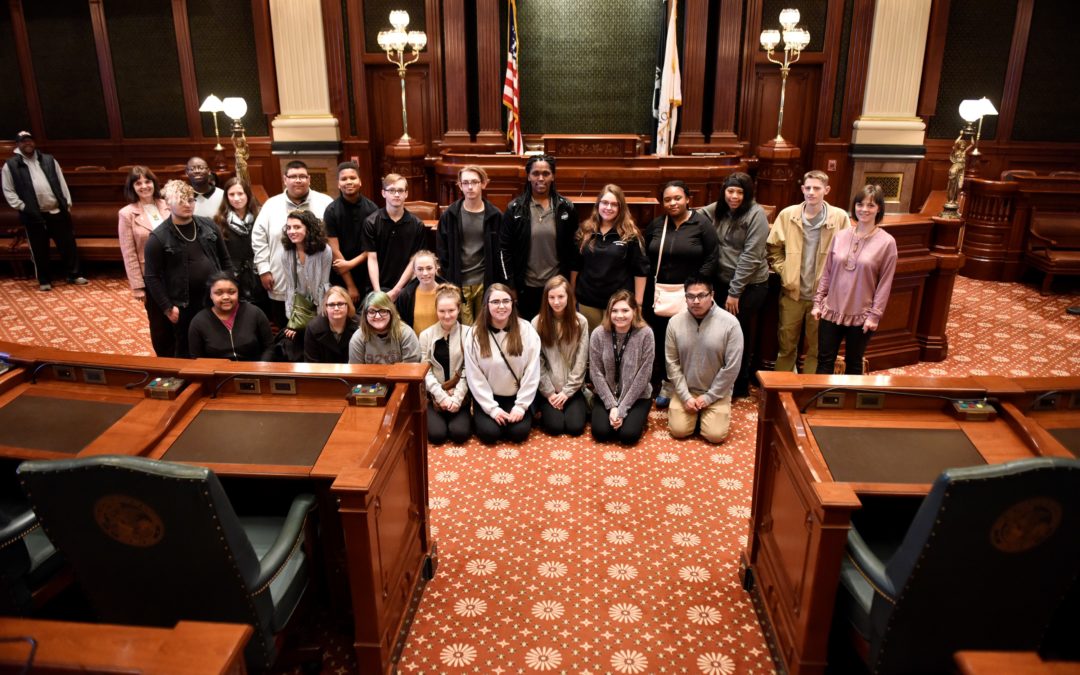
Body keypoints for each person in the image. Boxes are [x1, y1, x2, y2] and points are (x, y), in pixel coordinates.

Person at [766, 170, 849, 374]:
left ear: (826, 190)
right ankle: (781, 392)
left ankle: (808, 392)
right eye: (808, 188)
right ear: (802, 189)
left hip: (823, 299)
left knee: (817, 349)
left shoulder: (839, 217)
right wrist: (785, 271)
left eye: (816, 188)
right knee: (786, 346)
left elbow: (848, 254)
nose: (811, 192)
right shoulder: (788, 215)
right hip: (792, 294)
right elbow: (773, 248)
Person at [644, 180, 718, 406]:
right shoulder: (657, 225)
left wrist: (695, 288)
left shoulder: (701, 224)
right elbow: (646, 258)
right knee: (661, 340)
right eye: (667, 199)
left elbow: (712, 257)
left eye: (677, 198)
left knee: (685, 341)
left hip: (690, 296)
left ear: (688, 199)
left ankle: (687, 385)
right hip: (659, 294)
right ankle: (665, 383)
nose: (673, 203)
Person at [812, 185, 898, 375]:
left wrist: (875, 315)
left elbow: (885, 283)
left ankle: (849, 404)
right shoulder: (841, 236)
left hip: (861, 315)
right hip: (831, 310)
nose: (864, 209)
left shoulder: (887, 242)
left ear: (879, 209)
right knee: (824, 361)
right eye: (860, 204)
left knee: (853, 363)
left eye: (871, 205)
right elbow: (827, 272)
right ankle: (819, 403)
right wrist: (818, 302)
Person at [143, 180, 233, 358]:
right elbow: (152, 277)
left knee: (216, 341)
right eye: (181, 201)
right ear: (168, 204)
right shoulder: (158, 237)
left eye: (191, 200)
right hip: (183, 304)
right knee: (187, 347)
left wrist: (228, 291)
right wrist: (167, 307)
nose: (188, 205)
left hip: (212, 298)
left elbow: (225, 260)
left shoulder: (208, 225)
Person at [703, 172, 769, 398]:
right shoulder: (720, 207)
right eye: (730, 191)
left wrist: (735, 292)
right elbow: (698, 214)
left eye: (740, 192)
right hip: (722, 281)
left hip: (748, 286)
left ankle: (739, 386)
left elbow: (751, 257)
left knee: (736, 334)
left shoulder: (756, 214)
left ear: (748, 193)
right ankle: (721, 383)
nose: (734, 196)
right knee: (720, 333)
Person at [252, 160, 333, 328]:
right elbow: (258, 239)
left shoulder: (325, 202)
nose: (298, 180)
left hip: (316, 282)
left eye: (302, 176)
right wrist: (263, 269)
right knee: (285, 328)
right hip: (280, 278)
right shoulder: (271, 205)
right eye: (293, 176)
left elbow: (334, 238)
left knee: (317, 329)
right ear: (285, 179)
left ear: (309, 179)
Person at [2, 130, 87, 291]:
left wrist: (66, 203)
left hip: (56, 210)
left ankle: (74, 275)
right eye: (23, 141)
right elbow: (8, 190)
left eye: (29, 140)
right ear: (17, 145)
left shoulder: (48, 160)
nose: (27, 143)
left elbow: (61, 181)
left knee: (68, 244)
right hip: (33, 214)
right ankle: (44, 279)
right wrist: (22, 206)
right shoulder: (11, 165)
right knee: (39, 249)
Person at [498, 154, 579, 320]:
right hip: (526, 288)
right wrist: (511, 286)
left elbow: (574, 251)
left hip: (557, 289)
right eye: (535, 173)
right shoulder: (515, 209)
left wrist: (571, 286)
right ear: (528, 176)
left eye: (546, 173)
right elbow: (504, 250)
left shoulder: (566, 208)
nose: (540, 178)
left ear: (553, 176)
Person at [665, 276, 742, 444]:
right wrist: (685, 397)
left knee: (715, 436)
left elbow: (732, 368)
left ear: (712, 295)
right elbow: (672, 363)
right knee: (679, 431)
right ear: (685, 297)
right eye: (690, 296)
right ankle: (696, 415)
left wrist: (708, 398)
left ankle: (705, 414)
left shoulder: (731, 324)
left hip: (717, 392)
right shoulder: (674, 323)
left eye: (702, 295)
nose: (696, 301)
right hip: (686, 389)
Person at [464, 284, 542, 444]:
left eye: (506, 301)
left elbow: (532, 371)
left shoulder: (526, 330)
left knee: (518, 434)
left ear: (512, 303)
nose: (501, 306)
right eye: (495, 302)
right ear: (486, 305)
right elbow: (474, 376)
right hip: (488, 396)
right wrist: (492, 409)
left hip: (517, 395)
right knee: (490, 435)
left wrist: (521, 406)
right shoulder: (474, 334)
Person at [571, 184, 649, 334]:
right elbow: (575, 266)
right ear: (598, 204)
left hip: (619, 304)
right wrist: (573, 295)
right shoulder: (585, 231)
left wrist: (638, 304)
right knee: (592, 345)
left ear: (621, 208)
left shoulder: (630, 234)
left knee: (617, 345)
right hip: (588, 301)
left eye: (614, 204)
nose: (609, 207)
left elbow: (640, 271)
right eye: (605, 203)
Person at [436, 165, 503, 324]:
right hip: (459, 282)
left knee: (484, 328)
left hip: (484, 281)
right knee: (465, 331)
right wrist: (449, 275)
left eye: (474, 182)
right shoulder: (450, 215)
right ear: (459, 185)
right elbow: (442, 250)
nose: (470, 187)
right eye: (465, 183)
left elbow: (501, 251)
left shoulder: (495, 216)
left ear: (484, 184)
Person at [117, 166, 171, 356]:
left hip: (176, 272)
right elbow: (129, 252)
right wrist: (137, 286)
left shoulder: (167, 205)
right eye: (138, 183)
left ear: (154, 183)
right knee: (159, 322)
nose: (144, 186)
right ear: (132, 187)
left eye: (147, 181)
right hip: (151, 276)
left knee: (180, 317)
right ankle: (165, 359)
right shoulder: (126, 214)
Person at [589, 290, 654, 445]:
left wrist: (622, 410)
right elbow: (595, 372)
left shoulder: (646, 334)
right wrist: (612, 406)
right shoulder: (598, 334)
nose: (620, 315)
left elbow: (644, 375)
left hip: (637, 396)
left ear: (635, 311)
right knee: (601, 433)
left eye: (625, 310)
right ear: (609, 312)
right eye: (615, 311)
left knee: (628, 436)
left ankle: (637, 415)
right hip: (607, 394)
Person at [531, 275, 589, 436]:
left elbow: (581, 359)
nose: (556, 302)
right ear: (546, 298)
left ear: (569, 297)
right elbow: (537, 362)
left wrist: (567, 392)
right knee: (554, 427)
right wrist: (549, 393)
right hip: (548, 389)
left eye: (561, 296)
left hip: (573, 388)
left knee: (575, 427)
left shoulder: (581, 322)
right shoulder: (537, 323)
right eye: (552, 297)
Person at [418, 283, 472, 444]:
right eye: (442, 311)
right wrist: (441, 397)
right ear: (436, 311)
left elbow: (469, 370)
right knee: (437, 436)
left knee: (459, 434)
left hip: (459, 396)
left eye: (451, 311)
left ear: (458, 310)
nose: (447, 315)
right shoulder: (425, 335)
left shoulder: (469, 333)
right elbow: (425, 371)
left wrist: (456, 398)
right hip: (435, 396)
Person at [362, 174, 427, 300]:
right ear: (383, 193)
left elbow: (414, 261)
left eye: (400, 190)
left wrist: (396, 290)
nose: (396, 194)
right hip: (377, 286)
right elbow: (372, 259)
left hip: (406, 287)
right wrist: (378, 292)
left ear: (406, 194)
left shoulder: (417, 225)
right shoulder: (371, 222)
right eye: (392, 190)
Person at [278, 209, 332, 360]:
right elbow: (290, 288)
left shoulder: (324, 250)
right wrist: (292, 322)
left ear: (308, 228)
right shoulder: (286, 252)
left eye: (297, 227)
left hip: (320, 308)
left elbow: (324, 285)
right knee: (292, 340)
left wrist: (319, 320)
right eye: (288, 227)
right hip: (299, 309)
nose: (291, 231)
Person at [188, 272, 273, 361]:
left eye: (231, 292)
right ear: (210, 295)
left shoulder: (255, 313)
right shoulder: (199, 322)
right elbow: (196, 358)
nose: (225, 297)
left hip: (253, 371)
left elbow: (269, 347)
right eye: (219, 293)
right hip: (217, 372)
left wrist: (261, 367)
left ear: (238, 292)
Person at [325, 161, 378, 304]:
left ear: (360, 182)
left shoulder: (372, 209)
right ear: (338, 184)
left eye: (352, 178)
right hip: (341, 273)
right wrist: (350, 285)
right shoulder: (331, 211)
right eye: (344, 179)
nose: (348, 182)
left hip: (367, 269)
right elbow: (334, 249)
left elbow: (373, 247)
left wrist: (350, 263)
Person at [213, 177, 265, 312]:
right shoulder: (219, 221)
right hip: (233, 276)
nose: (236, 198)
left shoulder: (261, 216)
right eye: (231, 194)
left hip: (258, 274)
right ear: (226, 197)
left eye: (240, 193)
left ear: (248, 195)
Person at [348, 291, 421, 364]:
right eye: (372, 312)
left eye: (383, 311)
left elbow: (412, 368)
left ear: (391, 312)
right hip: (368, 375)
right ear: (365, 315)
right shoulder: (358, 338)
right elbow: (356, 370)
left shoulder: (406, 333)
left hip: (401, 375)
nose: (377, 316)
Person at [304, 286, 361, 364]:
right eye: (331, 305)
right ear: (326, 307)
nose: (336, 308)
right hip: (323, 373)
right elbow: (311, 363)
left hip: (353, 372)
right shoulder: (313, 328)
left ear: (348, 305)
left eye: (340, 304)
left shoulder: (360, 325)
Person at [395, 250, 447, 334]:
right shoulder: (405, 295)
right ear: (414, 271)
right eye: (420, 269)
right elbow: (402, 324)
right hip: (416, 345)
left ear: (436, 268)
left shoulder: (447, 292)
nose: (425, 273)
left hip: (442, 344)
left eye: (429, 268)